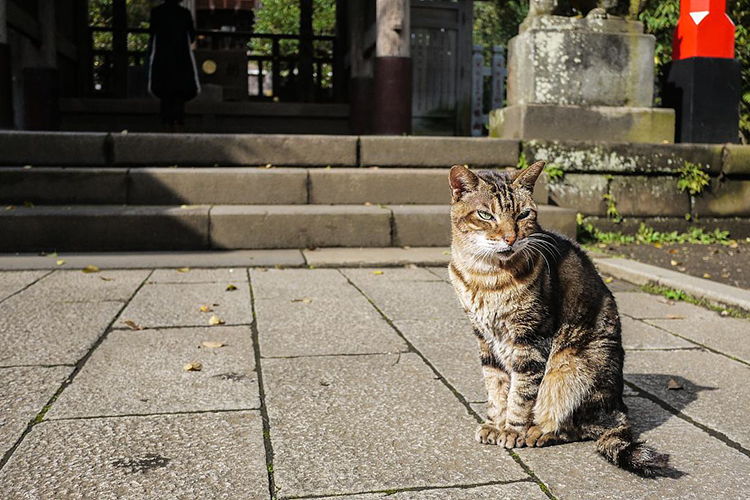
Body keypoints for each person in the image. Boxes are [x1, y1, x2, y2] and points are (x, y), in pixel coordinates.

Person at [148, 0, 200, 131]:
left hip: (162, 59)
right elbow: (192, 36)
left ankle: (165, 125)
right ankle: (178, 124)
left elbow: (151, 34)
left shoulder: (157, 12)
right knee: (179, 96)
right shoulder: (184, 13)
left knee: (165, 95)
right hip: (181, 59)